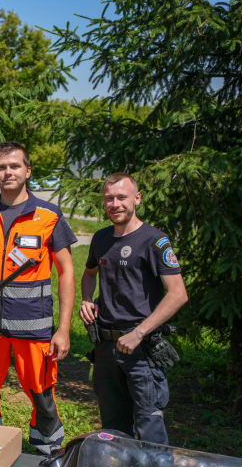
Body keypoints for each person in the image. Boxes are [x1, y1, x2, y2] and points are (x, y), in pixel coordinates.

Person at [0, 141, 77, 455]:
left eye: (14, 166)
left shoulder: (48, 215)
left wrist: (62, 330)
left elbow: (66, 271)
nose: (8, 172)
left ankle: (49, 452)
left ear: (27, 171)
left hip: (33, 327)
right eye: (1, 167)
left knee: (40, 391)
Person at [79, 172, 188, 444]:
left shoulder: (154, 240)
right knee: (113, 429)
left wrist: (139, 333)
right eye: (109, 199)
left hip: (140, 349)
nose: (115, 204)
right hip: (105, 348)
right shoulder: (101, 238)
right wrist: (86, 299)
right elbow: (89, 273)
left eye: (121, 197)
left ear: (137, 198)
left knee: (150, 430)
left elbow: (178, 294)